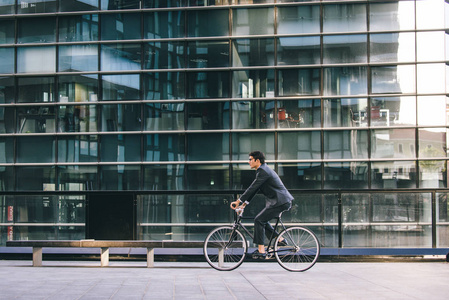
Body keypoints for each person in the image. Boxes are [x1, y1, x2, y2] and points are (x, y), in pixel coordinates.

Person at [230, 150, 293, 259]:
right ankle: (280, 240)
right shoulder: (263, 170)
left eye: (250, 159)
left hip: (280, 201)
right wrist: (244, 204)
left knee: (258, 220)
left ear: (257, 160)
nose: (248, 162)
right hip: (279, 201)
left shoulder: (263, 171)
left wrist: (238, 201)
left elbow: (252, 187)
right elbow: (255, 189)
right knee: (262, 220)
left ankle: (261, 250)